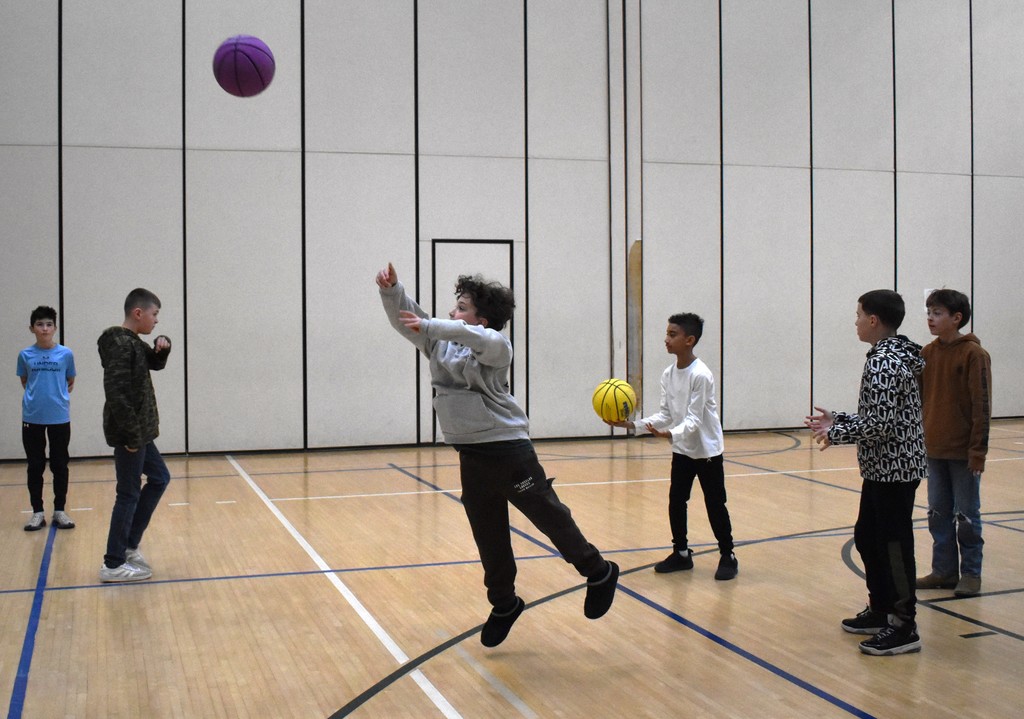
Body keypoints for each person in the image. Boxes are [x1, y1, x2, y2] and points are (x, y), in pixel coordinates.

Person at [376, 263, 618, 647]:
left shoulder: (496, 346)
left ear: (480, 319)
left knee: (549, 516)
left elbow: (447, 328)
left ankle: (598, 571)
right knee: (488, 537)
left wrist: (434, 325)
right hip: (470, 454)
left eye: (460, 308)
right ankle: (504, 603)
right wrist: (392, 291)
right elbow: (409, 320)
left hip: (508, 450)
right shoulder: (439, 344)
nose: (452, 313)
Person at [805, 289, 926, 656]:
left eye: (859, 315)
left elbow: (881, 425)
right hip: (883, 467)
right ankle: (881, 609)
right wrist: (839, 419)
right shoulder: (887, 355)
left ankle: (904, 626)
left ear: (874, 320)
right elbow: (882, 415)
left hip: (896, 468)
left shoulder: (884, 363)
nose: (855, 321)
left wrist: (835, 432)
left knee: (892, 546)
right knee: (867, 537)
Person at [605, 313, 737, 581]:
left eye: (672, 334)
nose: (666, 339)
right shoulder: (668, 373)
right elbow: (665, 413)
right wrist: (631, 425)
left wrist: (669, 434)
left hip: (707, 451)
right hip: (682, 449)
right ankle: (681, 553)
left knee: (715, 504)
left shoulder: (701, 375)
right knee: (677, 501)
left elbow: (694, 419)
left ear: (689, 340)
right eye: (667, 333)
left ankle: (728, 555)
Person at [915, 289, 992, 598]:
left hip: (962, 453)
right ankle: (944, 570)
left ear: (956, 318)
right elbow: (919, 401)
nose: (930, 319)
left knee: (967, 515)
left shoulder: (974, 354)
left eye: (937, 313)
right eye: (929, 312)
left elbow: (981, 406)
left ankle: (971, 573)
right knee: (937, 513)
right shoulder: (927, 354)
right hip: (933, 449)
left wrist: (978, 451)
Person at [97, 288, 172, 583]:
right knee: (127, 493)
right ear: (138, 313)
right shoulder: (119, 344)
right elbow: (116, 393)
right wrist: (131, 436)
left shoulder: (133, 343)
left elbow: (154, 363)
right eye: (154, 315)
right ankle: (113, 563)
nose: (156, 321)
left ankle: (128, 545)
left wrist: (162, 348)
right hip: (131, 434)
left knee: (159, 478)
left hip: (140, 433)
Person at [17, 306, 77, 532]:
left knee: (60, 464)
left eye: (49, 324)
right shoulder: (25, 355)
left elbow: (70, 380)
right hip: (32, 417)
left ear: (55, 328)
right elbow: (25, 381)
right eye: (40, 324)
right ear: (32, 328)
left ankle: (60, 510)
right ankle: (37, 512)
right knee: (35, 465)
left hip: (59, 417)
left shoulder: (66, 354)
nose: (44, 329)